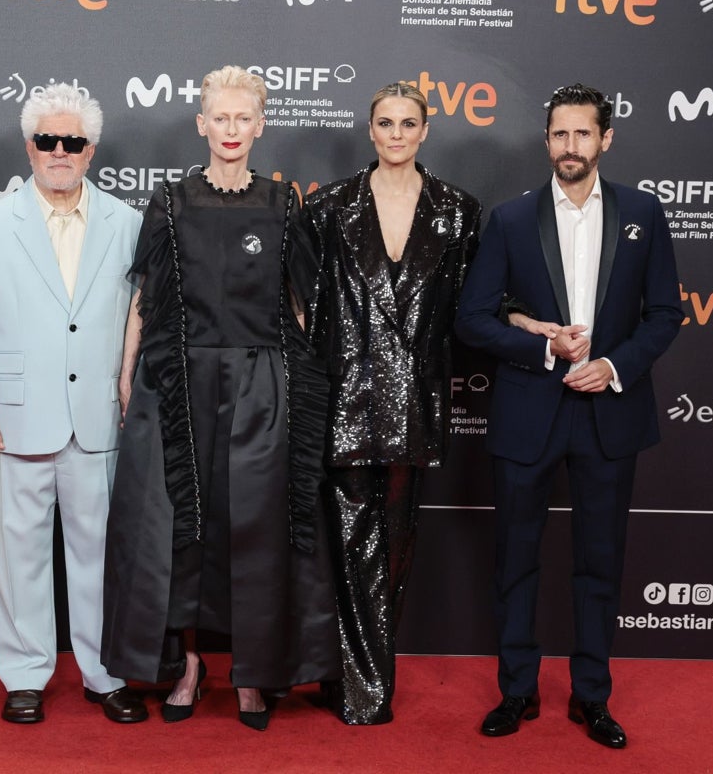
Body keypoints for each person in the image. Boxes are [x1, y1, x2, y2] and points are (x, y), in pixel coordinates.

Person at [101, 65, 338, 731]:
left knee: (257, 529)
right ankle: (193, 665)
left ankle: (255, 676)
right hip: (181, 385)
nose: (231, 130)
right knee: (187, 530)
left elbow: (298, 305)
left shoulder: (284, 201)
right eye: (220, 118)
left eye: (244, 118)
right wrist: (127, 375)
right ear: (201, 123)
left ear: (260, 125)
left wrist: (303, 387)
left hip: (264, 384)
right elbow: (147, 297)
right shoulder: (170, 201)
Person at [455, 84, 682, 749]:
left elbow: (665, 314)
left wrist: (611, 368)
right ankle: (516, 692)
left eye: (583, 135)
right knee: (515, 561)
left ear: (605, 139)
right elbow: (472, 317)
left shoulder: (643, 211)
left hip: (609, 414)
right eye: (559, 135)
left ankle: (593, 697)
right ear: (546, 139)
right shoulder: (511, 219)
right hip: (530, 410)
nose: (570, 147)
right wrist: (541, 346)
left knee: (600, 562)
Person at [0, 83, 147, 725]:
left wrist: (132, 395)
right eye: (47, 140)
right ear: (28, 146)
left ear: (91, 150)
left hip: (99, 420)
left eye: (73, 141)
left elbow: (139, 321)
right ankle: (26, 673)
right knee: (15, 557)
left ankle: (103, 673)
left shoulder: (128, 223)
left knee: (99, 555)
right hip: (11, 419)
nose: (59, 151)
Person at [301, 82, 482, 725]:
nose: (397, 133)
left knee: (397, 543)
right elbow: (303, 311)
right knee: (350, 541)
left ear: (425, 130)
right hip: (346, 398)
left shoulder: (459, 212)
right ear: (370, 130)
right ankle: (364, 688)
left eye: (409, 123)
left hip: (415, 404)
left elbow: (474, 313)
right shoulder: (327, 210)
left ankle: (355, 676)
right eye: (386, 122)